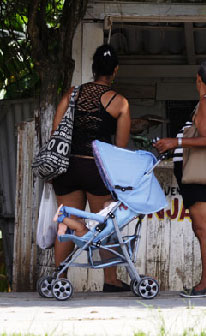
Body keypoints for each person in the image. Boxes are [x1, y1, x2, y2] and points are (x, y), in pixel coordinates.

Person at [51, 44, 131, 292]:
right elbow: (119, 147)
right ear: (115, 71)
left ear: (93, 68)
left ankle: (60, 278)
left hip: (66, 167)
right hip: (95, 169)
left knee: (68, 221)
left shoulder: (71, 94)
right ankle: (111, 280)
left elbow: (56, 132)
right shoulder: (120, 103)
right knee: (106, 223)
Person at [154, 59, 206, 298]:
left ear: (198, 78)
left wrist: (173, 142)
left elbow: (205, 139)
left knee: (204, 230)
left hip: (200, 177)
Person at [53, 201, 117, 237]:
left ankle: (62, 219)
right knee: (80, 223)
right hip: (91, 227)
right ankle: (64, 223)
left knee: (80, 226)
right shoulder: (112, 210)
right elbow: (106, 204)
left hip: (87, 232)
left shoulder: (112, 216)